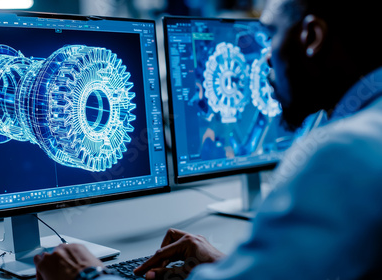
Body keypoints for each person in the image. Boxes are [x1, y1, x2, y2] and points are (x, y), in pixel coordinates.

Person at [34, 0, 382, 278]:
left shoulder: (341, 155)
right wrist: (231, 266)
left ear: (311, 37)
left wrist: (87, 276)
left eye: (271, 34)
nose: (264, 58)